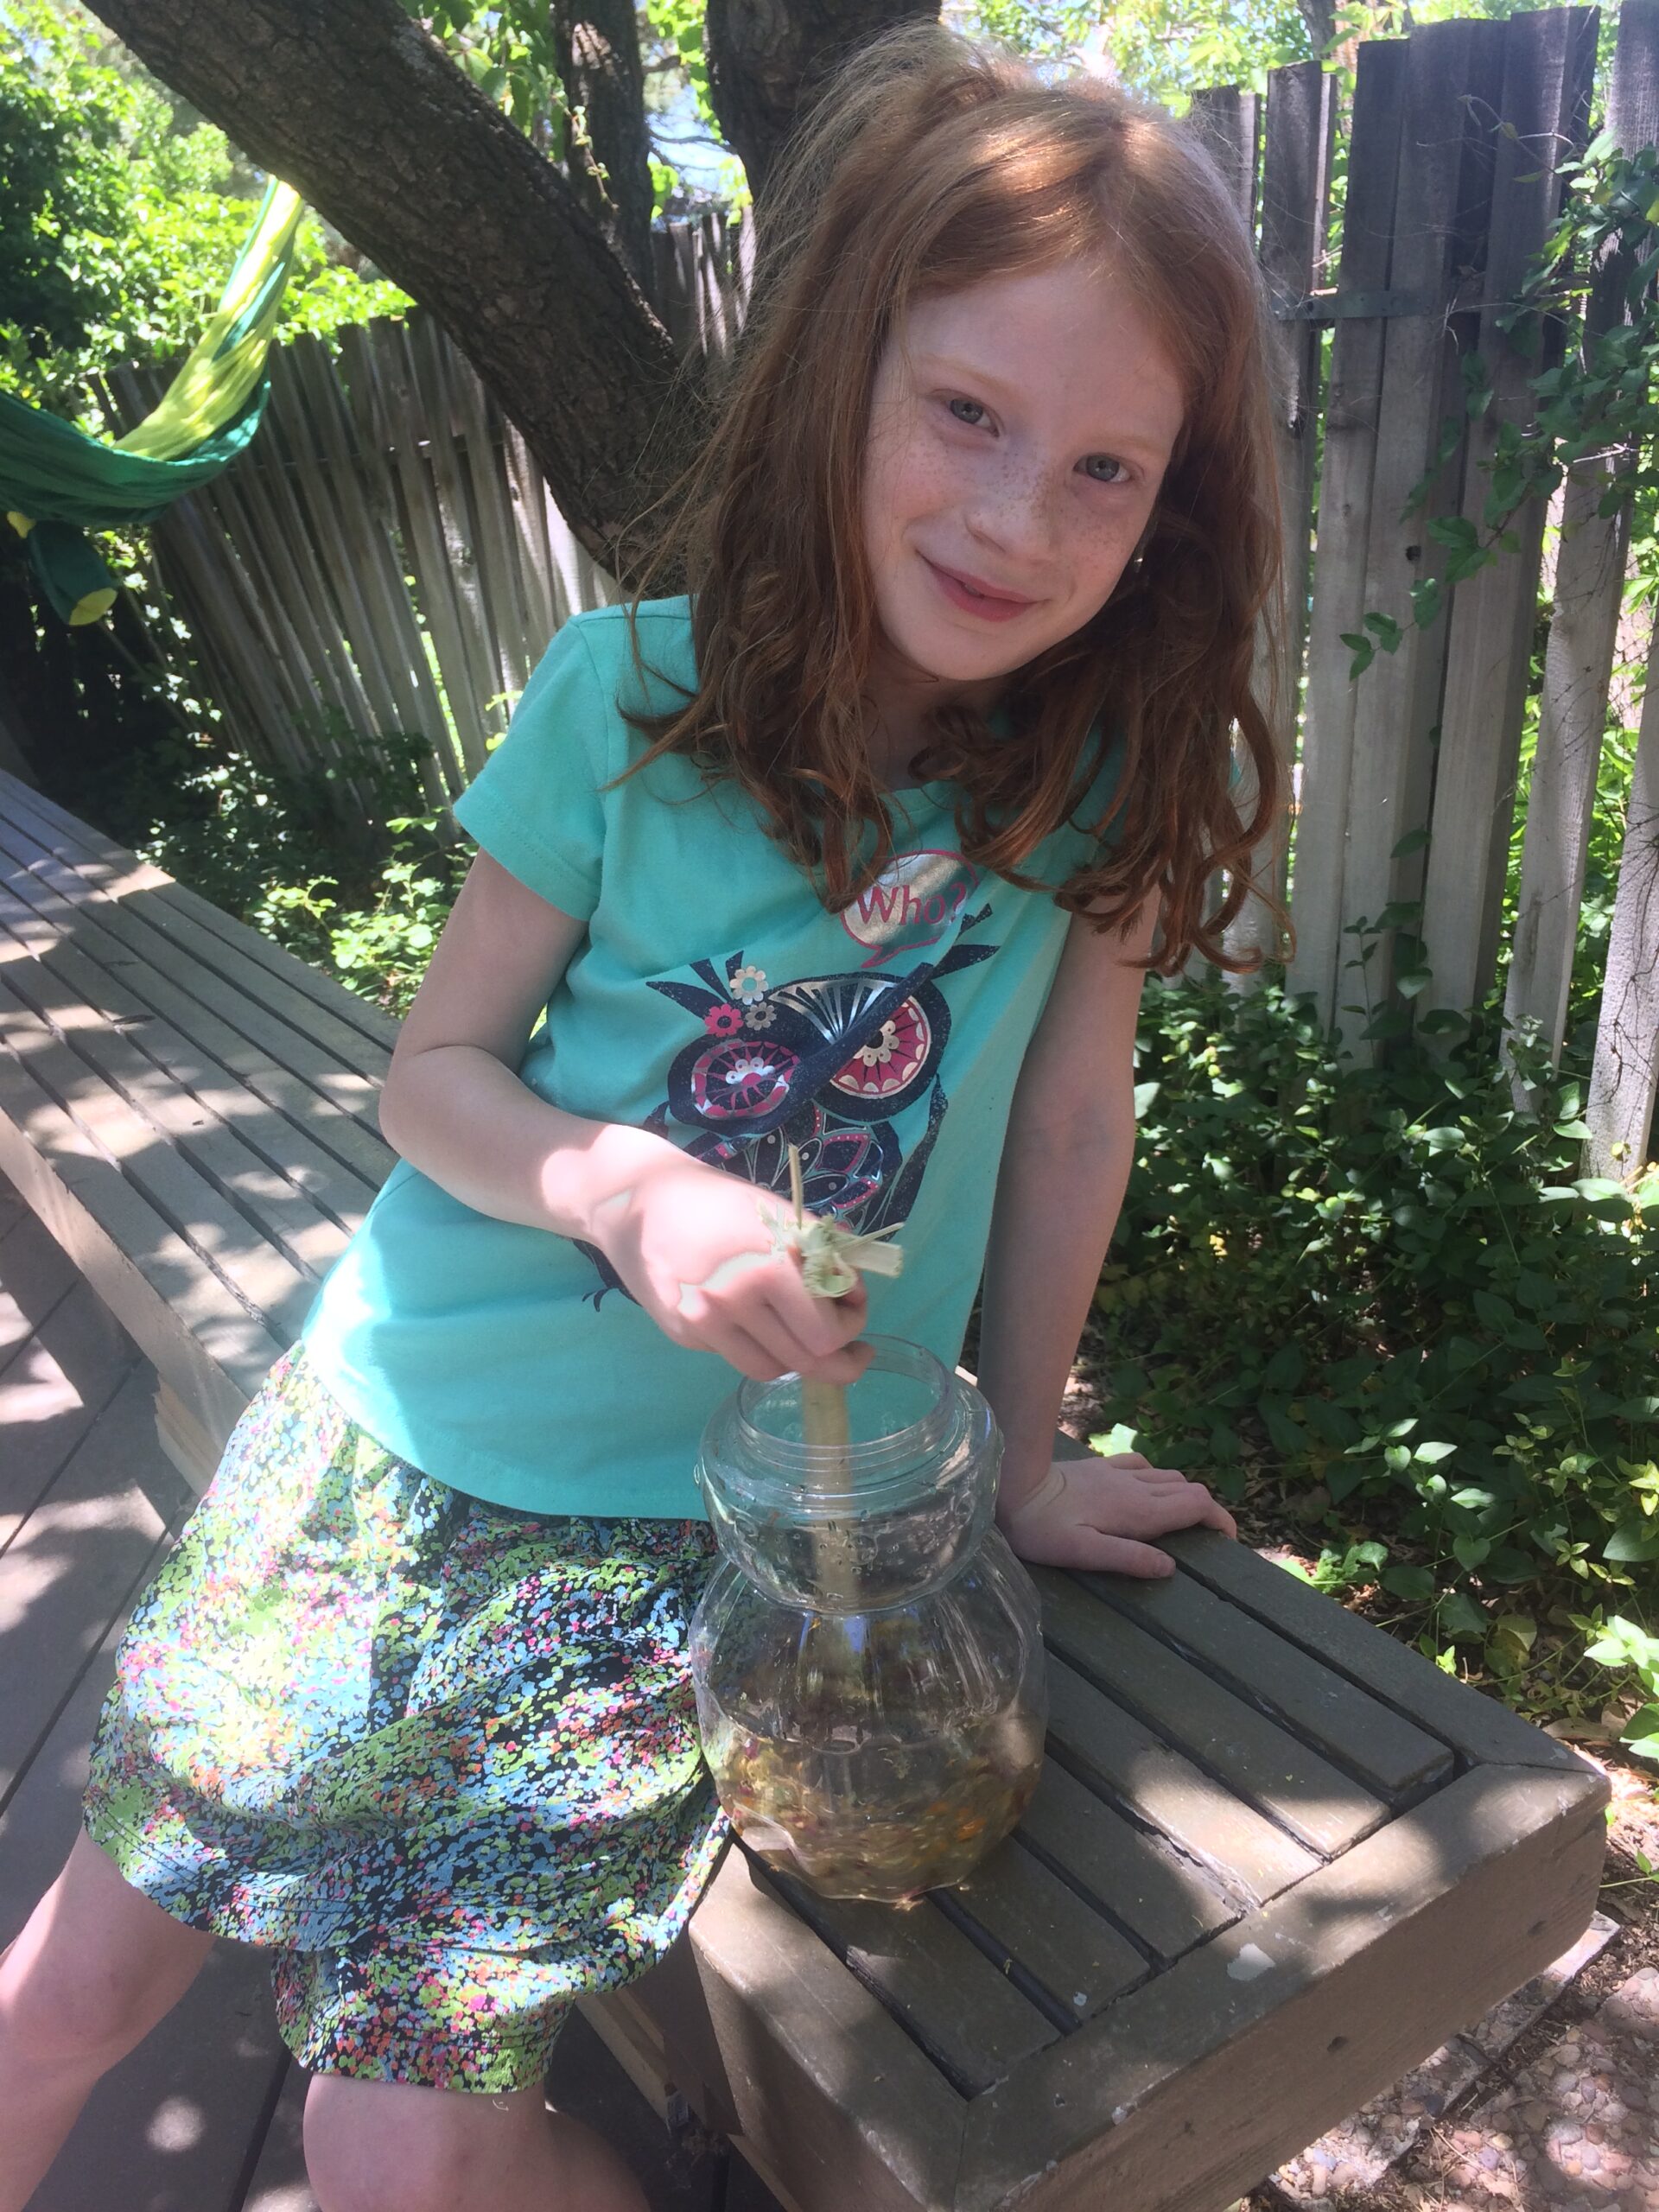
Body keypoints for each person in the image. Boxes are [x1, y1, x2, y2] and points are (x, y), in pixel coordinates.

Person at [0, 21, 1283, 2212]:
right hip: (389, 1446)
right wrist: (624, 1185)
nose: (1016, 514)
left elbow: (1072, 1125)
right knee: (58, 2001)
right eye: (968, 411)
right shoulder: (625, 700)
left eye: (1105, 466)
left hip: (710, 1541)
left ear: (1177, 506)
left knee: (392, 2152)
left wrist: (1017, 1463)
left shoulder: (1096, 784)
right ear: (843, 375)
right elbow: (431, 1075)